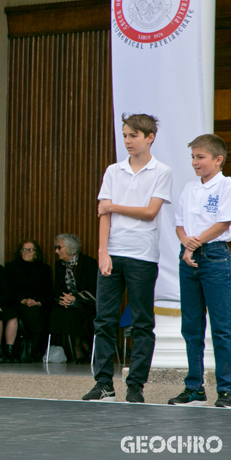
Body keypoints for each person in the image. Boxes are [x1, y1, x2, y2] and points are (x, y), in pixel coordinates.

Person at [83, 113, 172, 404]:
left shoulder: (162, 171)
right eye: (124, 135)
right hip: (113, 253)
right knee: (103, 320)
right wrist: (102, 252)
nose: (127, 141)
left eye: (133, 135)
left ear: (150, 137)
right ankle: (104, 384)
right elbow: (103, 214)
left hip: (143, 255)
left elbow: (150, 212)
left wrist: (113, 205)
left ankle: (135, 385)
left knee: (142, 323)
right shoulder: (113, 171)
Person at [167, 134, 231, 408]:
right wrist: (186, 243)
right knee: (191, 327)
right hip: (189, 257)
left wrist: (196, 242)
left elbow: (223, 223)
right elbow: (179, 223)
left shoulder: (226, 185)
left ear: (218, 160)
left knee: (222, 327)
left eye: (200, 157)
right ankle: (194, 387)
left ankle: (226, 389)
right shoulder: (189, 189)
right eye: (192, 157)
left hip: (214, 257)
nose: (195, 162)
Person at [50, 234, 97, 364]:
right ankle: (79, 346)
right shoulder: (59, 265)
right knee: (59, 313)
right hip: (68, 304)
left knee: (79, 314)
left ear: (70, 248)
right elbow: (58, 288)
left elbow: (94, 289)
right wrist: (64, 299)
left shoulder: (89, 263)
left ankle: (81, 346)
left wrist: (75, 297)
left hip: (88, 303)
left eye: (59, 247)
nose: (56, 251)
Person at [5, 239, 52, 363]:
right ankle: (31, 351)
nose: (27, 252)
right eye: (24, 249)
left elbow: (48, 291)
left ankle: (37, 350)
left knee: (44, 314)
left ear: (36, 253)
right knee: (32, 315)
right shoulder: (11, 267)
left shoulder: (44, 269)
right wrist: (23, 300)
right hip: (18, 303)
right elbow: (8, 291)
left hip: (38, 303)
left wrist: (38, 302)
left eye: (30, 250)